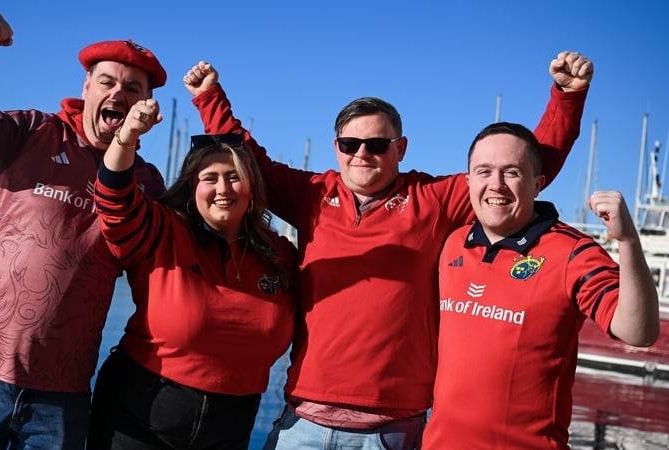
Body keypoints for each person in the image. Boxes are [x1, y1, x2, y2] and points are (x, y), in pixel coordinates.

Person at [184, 51, 594, 450]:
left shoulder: (433, 199)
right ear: (337, 148)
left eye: (377, 145)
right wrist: (209, 97)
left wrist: (567, 98)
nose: (362, 154)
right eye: (350, 144)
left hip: (391, 431)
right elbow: (250, 161)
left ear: (400, 149)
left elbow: (524, 167)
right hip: (302, 423)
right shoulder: (310, 195)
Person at [0, 13, 166, 449]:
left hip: (62, 394)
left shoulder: (147, 184)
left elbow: (164, 273)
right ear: (86, 88)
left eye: (133, 89)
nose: (118, 93)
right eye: (107, 82)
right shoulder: (30, 132)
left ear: (147, 106)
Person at [423, 122, 659, 448]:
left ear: (537, 184)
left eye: (512, 173)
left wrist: (628, 241)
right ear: (468, 182)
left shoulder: (572, 252)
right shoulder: (452, 245)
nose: (497, 185)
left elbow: (638, 332)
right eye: (484, 171)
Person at [87, 99, 298, 449]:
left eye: (234, 178)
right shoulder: (164, 231)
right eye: (210, 178)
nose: (223, 189)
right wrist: (126, 136)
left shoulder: (279, 255)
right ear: (191, 186)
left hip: (232, 422)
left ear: (251, 187)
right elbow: (113, 197)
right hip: (140, 413)